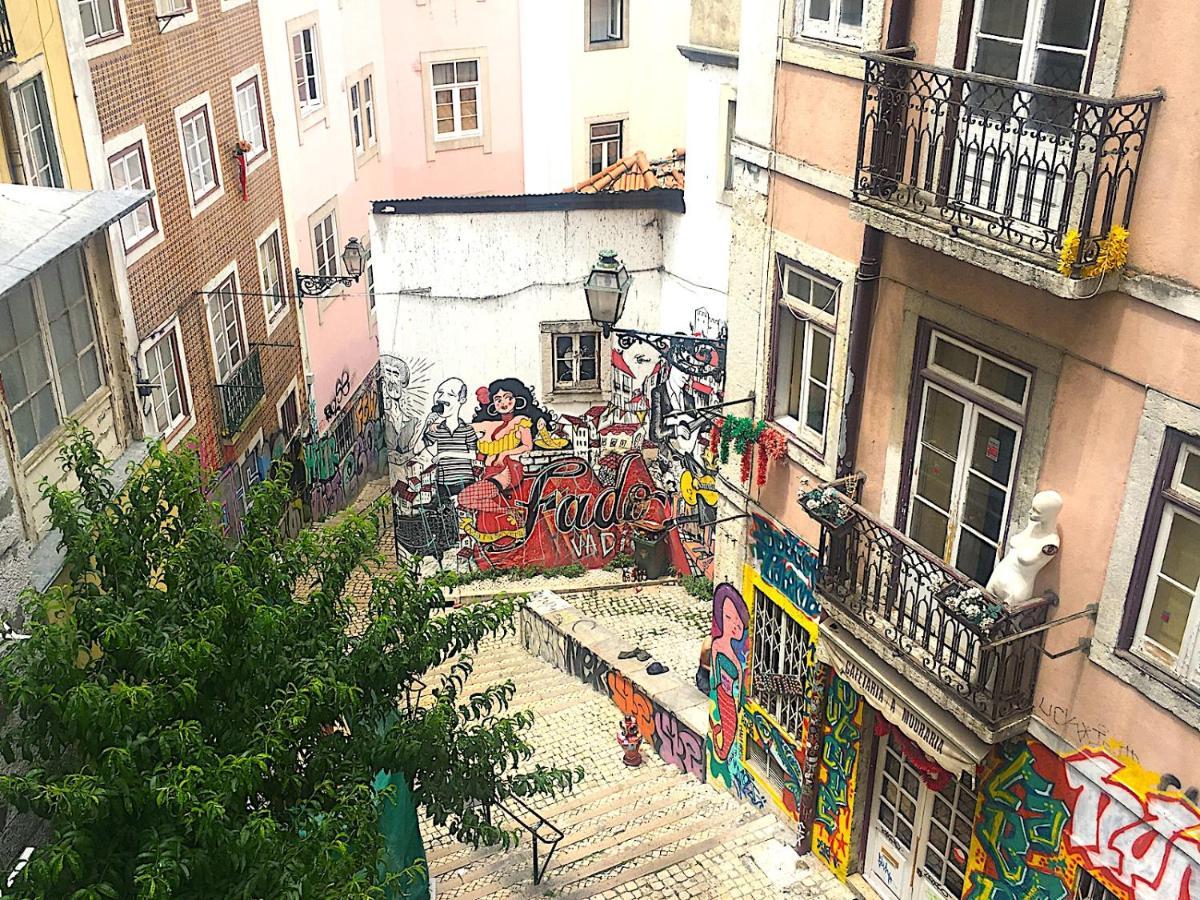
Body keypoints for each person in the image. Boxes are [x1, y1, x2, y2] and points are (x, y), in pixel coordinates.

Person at [457, 378, 552, 546]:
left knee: (465, 497)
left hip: (506, 470)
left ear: (517, 399)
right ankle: (508, 512)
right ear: (493, 403)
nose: (503, 403)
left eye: (508, 397)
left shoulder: (521, 421)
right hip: (488, 472)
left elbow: (527, 446)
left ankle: (509, 512)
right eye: (498, 399)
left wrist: (504, 452)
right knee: (472, 501)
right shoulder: (489, 424)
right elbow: (461, 428)